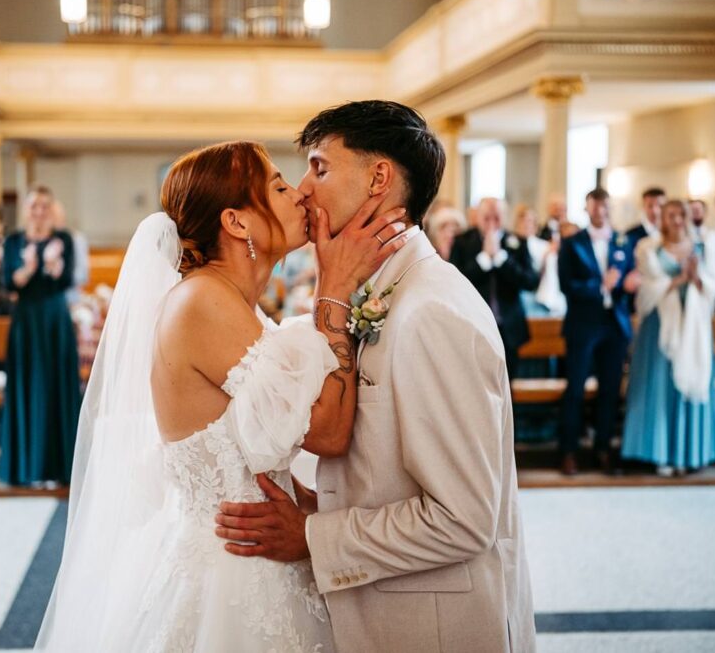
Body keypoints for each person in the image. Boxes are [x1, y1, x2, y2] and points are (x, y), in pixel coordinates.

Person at [36, 139, 409, 651]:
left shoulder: (235, 305)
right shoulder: (202, 301)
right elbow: (327, 431)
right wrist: (334, 291)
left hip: (261, 556)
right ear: (236, 223)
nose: (300, 194)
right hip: (231, 579)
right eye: (278, 185)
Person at [217, 102, 535, 652]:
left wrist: (315, 536)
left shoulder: (429, 310)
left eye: (319, 167)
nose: (304, 190)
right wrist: (325, 504)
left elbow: (465, 519)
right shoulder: (380, 290)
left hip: (431, 629)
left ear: (378, 178)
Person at [621, 199, 715, 476]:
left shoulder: (704, 247)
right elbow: (646, 290)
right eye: (670, 215)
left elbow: (714, 285)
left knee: (689, 383)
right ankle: (659, 452)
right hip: (658, 327)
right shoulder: (648, 248)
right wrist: (678, 280)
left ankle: (687, 453)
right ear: (662, 219)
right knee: (657, 386)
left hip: (693, 328)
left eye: (681, 214)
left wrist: (697, 278)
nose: (677, 220)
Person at [0, 186, 81, 487]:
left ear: (52, 209)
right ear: (25, 209)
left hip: (54, 317)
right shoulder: (14, 241)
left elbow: (67, 278)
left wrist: (51, 265)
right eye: (34, 206)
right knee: (27, 384)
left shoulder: (64, 240)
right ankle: (28, 466)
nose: (39, 211)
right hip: (26, 319)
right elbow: (8, 282)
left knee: (55, 384)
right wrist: (29, 267)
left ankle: (59, 467)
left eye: (45, 205)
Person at [557, 188, 637, 475]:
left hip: (614, 324)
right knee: (576, 390)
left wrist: (628, 285)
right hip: (583, 323)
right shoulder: (572, 243)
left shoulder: (623, 240)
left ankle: (603, 450)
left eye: (605, 207)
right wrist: (600, 285)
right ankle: (568, 451)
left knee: (610, 391)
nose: (601, 212)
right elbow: (567, 286)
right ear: (587, 208)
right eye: (595, 207)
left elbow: (629, 279)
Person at [451, 197, 540, 380]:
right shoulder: (462, 242)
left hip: (509, 328)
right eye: (487, 217)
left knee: (508, 386)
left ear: (505, 217)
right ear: (478, 217)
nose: (492, 222)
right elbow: (454, 281)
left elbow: (530, 281)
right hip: (473, 325)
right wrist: (483, 259)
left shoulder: (517, 242)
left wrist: (501, 258)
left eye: (497, 217)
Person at [514, 203, 564, 317]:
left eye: (530, 221)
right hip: (519, 294)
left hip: (541, 294)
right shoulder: (510, 243)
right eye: (523, 220)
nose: (526, 224)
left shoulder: (544, 246)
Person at [51, 200, 90, 306]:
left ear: (63, 219)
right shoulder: (42, 241)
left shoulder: (76, 239)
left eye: (56, 217)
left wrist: (58, 278)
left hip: (70, 299)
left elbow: (82, 275)